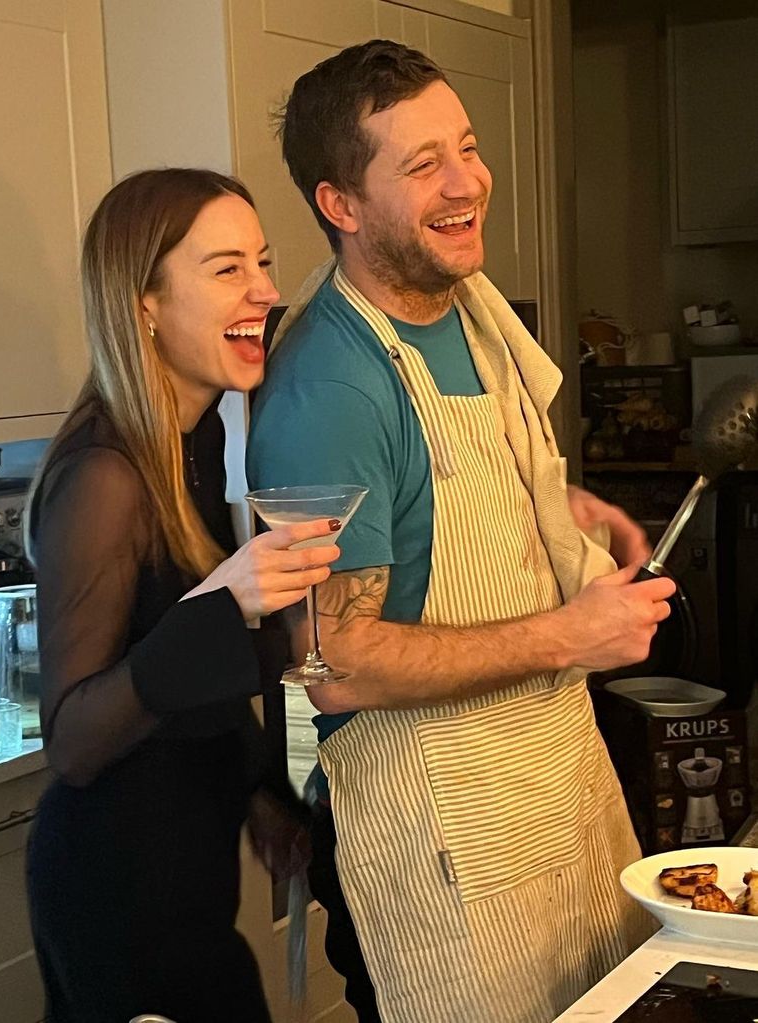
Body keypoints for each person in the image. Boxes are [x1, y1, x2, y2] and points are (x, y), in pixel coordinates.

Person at [247, 41, 677, 1023]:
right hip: (439, 837)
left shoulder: (466, 304)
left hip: (547, 784)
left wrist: (560, 509)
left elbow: (440, 489)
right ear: (341, 206)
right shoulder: (330, 389)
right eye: (421, 164)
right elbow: (332, 661)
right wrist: (575, 634)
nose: (466, 183)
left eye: (468, 147)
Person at [26, 168, 342, 1023]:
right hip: (114, 897)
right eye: (227, 267)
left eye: (264, 263)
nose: (266, 291)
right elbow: (75, 739)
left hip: (188, 885)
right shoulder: (106, 476)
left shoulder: (196, 447)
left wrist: (257, 792)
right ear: (145, 304)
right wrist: (222, 607)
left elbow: (181, 684)